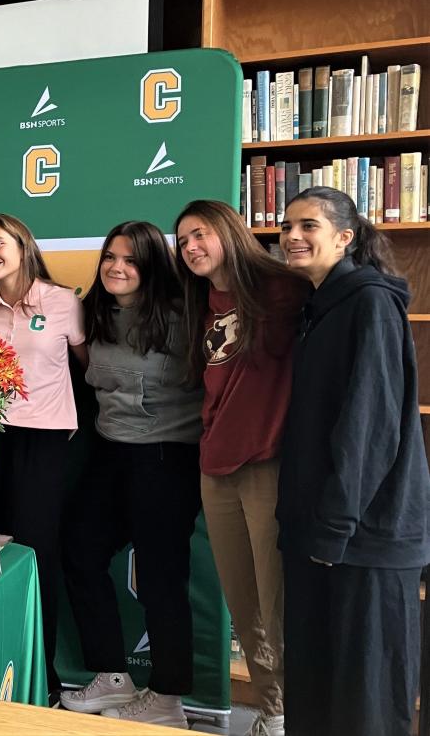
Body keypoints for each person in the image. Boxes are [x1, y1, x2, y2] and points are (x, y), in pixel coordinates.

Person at [276, 187, 430, 736]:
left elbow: (372, 425)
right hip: (320, 535)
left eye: (309, 226)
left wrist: (334, 530)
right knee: (316, 687)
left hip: (363, 539)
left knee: (364, 699)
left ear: (344, 237)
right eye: (288, 225)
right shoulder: (316, 308)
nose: (293, 236)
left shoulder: (369, 303)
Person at [60, 221, 203, 728]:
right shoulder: (97, 312)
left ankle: (168, 698)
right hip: (110, 451)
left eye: (131, 260)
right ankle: (112, 676)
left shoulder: (181, 315)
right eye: (110, 258)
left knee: (163, 578)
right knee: (80, 549)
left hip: (166, 457)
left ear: (151, 266)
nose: (117, 268)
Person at [174, 199, 309, 736]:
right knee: (243, 601)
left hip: (268, 464)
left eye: (200, 234)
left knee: (276, 601)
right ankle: (272, 713)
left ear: (229, 231)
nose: (191, 248)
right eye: (183, 240)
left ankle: (296, 712)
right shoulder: (204, 299)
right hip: (216, 466)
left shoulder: (282, 286)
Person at [0, 212, 86, 700]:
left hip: (46, 440)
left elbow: (87, 367)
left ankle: (45, 680)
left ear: (22, 245)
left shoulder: (61, 302)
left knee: (36, 556)